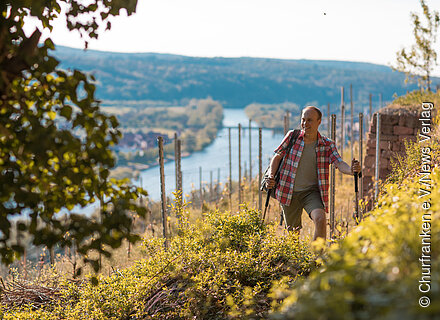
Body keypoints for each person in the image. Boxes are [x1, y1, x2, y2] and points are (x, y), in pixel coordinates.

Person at [266, 106, 360, 241]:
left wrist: (351, 171)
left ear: (319, 122)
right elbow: (277, 157)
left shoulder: (327, 144)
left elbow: (339, 163)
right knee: (293, 234)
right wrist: (271, 176)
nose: (305, 124)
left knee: (321, 219)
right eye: (303, 120)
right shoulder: (292, 136)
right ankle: (295, 260)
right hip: (288, 191)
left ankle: (317, 259)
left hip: (311, 192)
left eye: (309, 120)